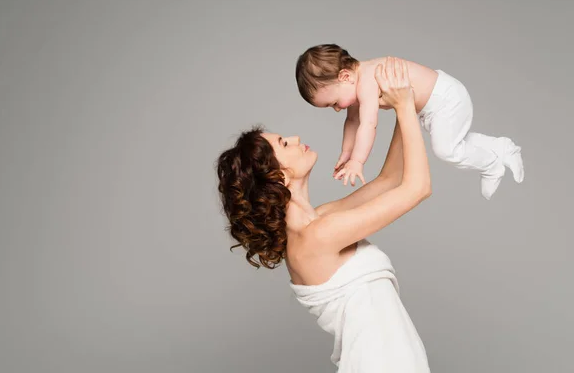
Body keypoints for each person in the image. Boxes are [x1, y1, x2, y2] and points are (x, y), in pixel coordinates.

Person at [217, 58, 431, 372]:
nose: (295, 138)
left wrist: (405, 104)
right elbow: (417, 188)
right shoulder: (317, 236)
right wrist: (404, 106)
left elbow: (389, 180)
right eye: (283, 143)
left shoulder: (321, 220)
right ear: (280, 178)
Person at [295, 44, 524, 200]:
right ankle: (501, 147)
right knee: (456, 142)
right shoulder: (356, 82)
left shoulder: (366, 80)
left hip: (445, 98)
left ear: (345, 77)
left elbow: (368, 124)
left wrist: (358, 161)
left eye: (334, 102)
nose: (337, 109)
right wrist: (346, 153)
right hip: (431, 107)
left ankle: (491, 166)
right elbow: (352, 121)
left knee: (446, 150)